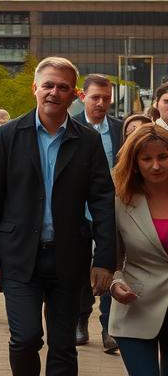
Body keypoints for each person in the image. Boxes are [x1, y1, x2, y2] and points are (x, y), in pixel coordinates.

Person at [0, 56, 116, 376]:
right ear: (35, 89)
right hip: (18, 258)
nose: (54, 92)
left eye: (63, 87)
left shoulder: (88, 141)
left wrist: (106, 260)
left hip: (69, 257)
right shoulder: (9, 135)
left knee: (64, 345)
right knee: (25, 338)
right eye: (48, 85)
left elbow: (102, 202)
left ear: (74, 94)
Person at [106, 123, 168, 374]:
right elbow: (110, 255)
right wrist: (114, 282)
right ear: (134, 162)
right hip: (136, 307)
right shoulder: (119, 201)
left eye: (163, 156)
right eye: (147, 158)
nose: (156, 165)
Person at [73, 73, 123, 352]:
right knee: (81, 270)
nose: (101, 103)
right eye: (95, 97)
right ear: (82, 97)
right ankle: (81, 321)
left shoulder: (119, 129)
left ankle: (108, 328)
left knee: (109, 268)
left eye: (106, 98)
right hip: (78, 215)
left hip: (111, 214)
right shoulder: (72, 127)